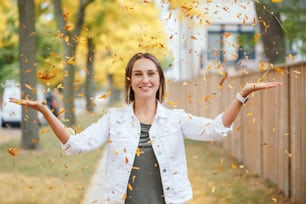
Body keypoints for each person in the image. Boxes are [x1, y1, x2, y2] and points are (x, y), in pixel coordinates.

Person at [10, 52, 282, 204]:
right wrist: (46, 112)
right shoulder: (113, 120)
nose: (145, 79)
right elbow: (75, 145)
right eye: (138, 74)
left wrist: (241, 96)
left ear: (160, 79)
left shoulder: (175, 120)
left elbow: (214, 129)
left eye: (151, 73)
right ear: (129, 81)